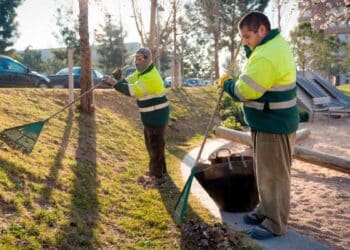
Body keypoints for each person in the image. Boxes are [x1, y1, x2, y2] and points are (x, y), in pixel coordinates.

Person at [218, 11, 299, 240]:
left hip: (273, 124)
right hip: (268, 122)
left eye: (247, 36)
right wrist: (249, 48)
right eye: (243, 38)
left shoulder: (266, 55)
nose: (245, 41)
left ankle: (275, 223)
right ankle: (265, 210)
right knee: (265, 173)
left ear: (262, 30)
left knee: (274, 176)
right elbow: (259, 65)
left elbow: (245, 91)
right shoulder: (269, 47)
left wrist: (228, 85)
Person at [103, 47, 169, 179]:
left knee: (155, 146)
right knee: (153, 145)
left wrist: (114, 83)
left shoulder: (151, 77)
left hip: (157, 117)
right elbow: (129, 82)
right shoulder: (142, 73)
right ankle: (160, 172)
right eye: (136, 59)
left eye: (140, 59)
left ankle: (156, 176)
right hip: (149, 117)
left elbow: (132, 91)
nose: (137, 62)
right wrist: (120, 78)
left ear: (148, 60)